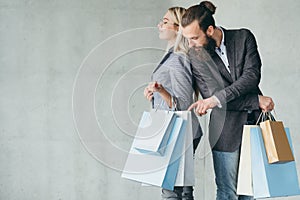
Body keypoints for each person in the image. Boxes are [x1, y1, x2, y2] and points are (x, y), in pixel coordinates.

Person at [180, 1, 274, 200]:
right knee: (227, 192)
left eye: (194, 38)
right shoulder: (196, 56)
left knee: (252, 192)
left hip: (257, 125)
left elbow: (251, 77)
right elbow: (212, 94)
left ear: (210, 30)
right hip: (225, 131)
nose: (191, 44)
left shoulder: (243, 37)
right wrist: (255, 100)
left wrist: (216, 99)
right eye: (187, 39)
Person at [143, 7, 202, 200]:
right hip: (180, 131)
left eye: (165, 22)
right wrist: (155, 94)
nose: (159, 25)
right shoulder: (173, 56)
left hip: (178, 132)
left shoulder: (178, 58)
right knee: (181, 190)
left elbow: (184, 103)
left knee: (171, 191)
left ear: (178, 29)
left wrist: (161, 90)